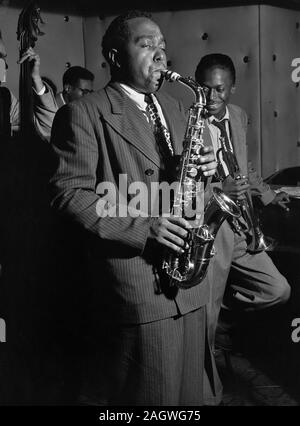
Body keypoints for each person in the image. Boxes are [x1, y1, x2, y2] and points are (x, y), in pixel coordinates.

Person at [49, 10, 222, 406]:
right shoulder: (82, 112)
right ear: (114, 55)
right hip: (140, 284)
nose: (160, 55)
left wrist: (205, 170)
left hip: (191, 283)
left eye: (162, 46)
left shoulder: (178, 109)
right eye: (146, 45)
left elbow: (186, 190)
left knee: (191, 401)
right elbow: (70, 195)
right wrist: (145, 228)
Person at [194, 53, 291, 352]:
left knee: (278, 290)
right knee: (204, 329)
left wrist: (269, 196)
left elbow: (243, 167)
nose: (211, 96)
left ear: (232, 88)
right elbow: (177, 186)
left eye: (219, 89)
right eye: (205, 88)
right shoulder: (186, 121)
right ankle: (207, 394)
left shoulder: (238, 115)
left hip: (242, 227)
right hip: (212, 228)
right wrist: (220, 190)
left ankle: (220, 319)